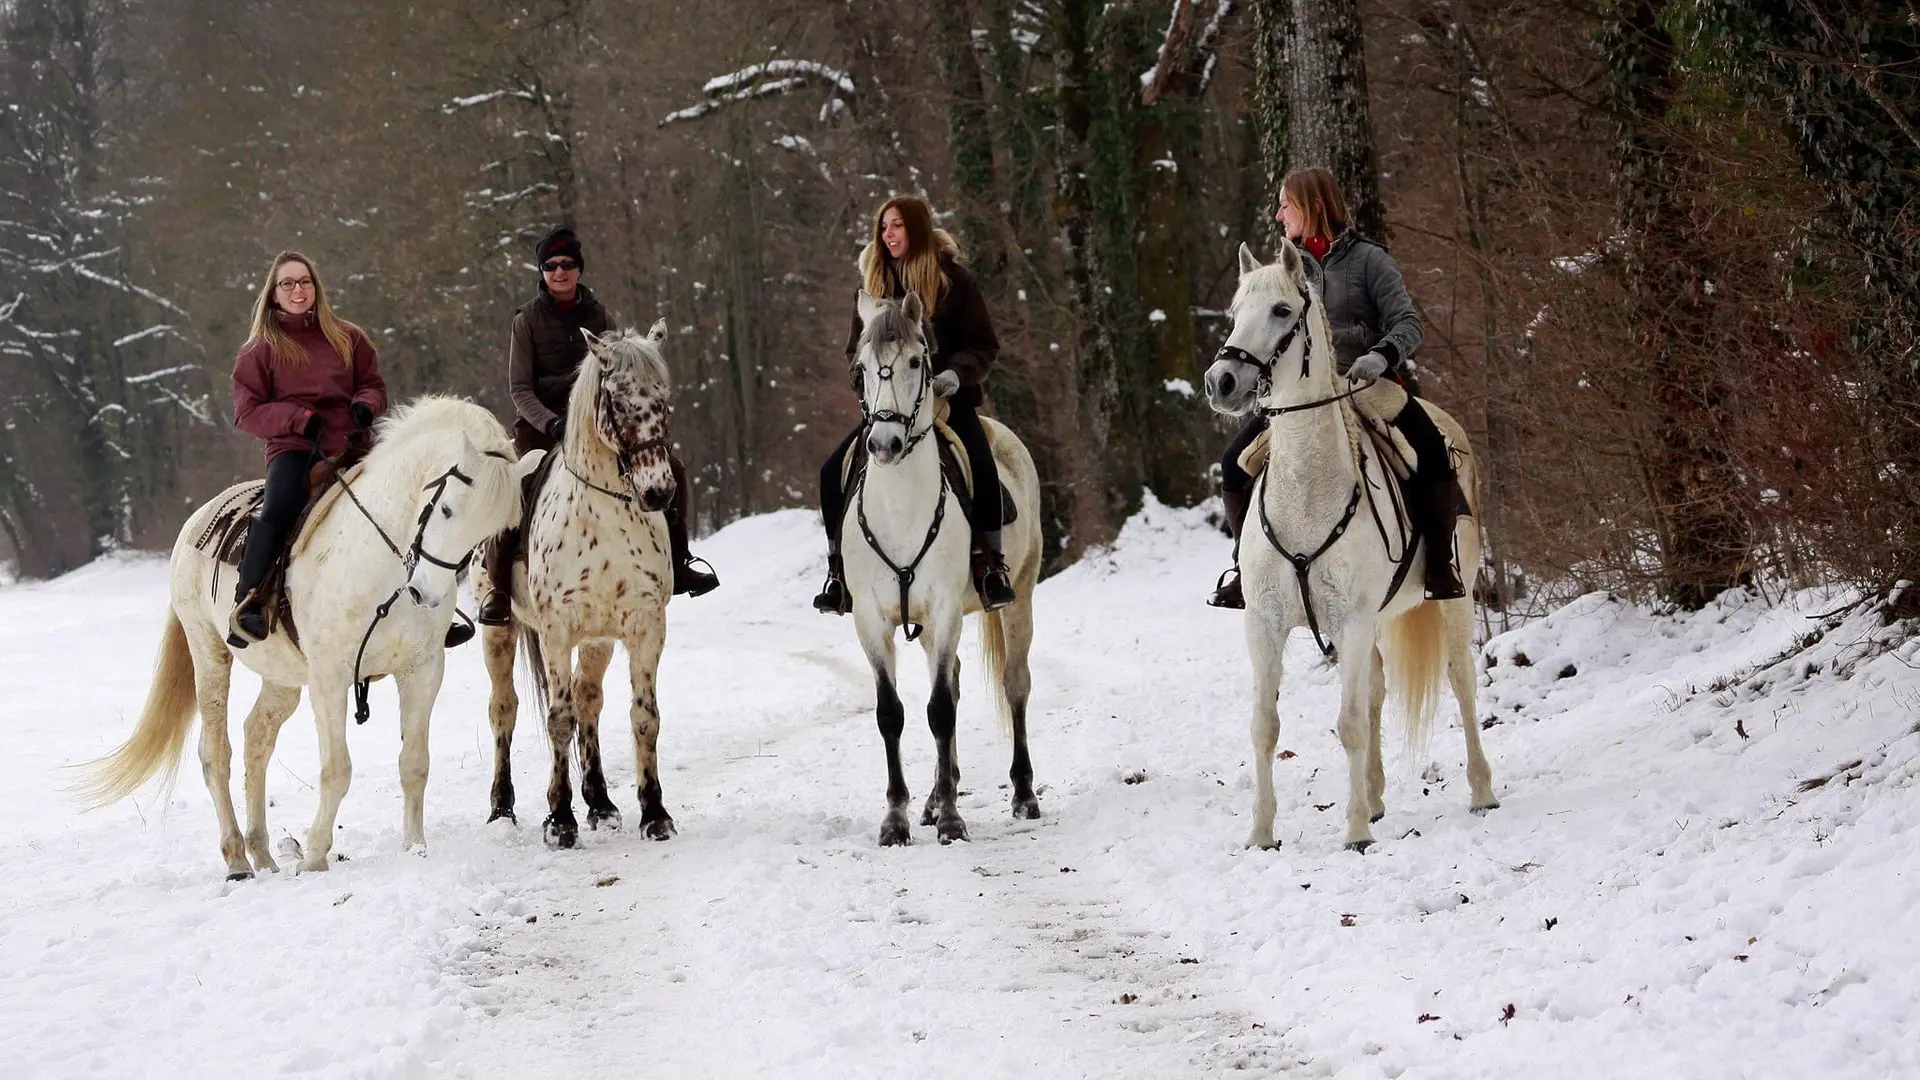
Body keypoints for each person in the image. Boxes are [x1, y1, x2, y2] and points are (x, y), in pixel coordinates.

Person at [1209, 165, 1467, 608]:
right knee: (1233, 462)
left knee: (1431, 451)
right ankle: (1243, 568)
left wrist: (1380, 355)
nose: (1278, 215)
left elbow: (1408, 323)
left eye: (1286, 205)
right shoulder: (1282, 269)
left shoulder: (1370, 260)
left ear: (1314, 206)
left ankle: (1440, 566)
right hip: (1298, 397)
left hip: (1364, 382)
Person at [476, 227, 718, 625]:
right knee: (514, 485)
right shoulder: (526, 320)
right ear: (543, 272)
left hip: (596, 426)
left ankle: (680, 561)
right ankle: (499, 589)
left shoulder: (599, 315)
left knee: (672, 470)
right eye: (551, 266)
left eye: (567, 264)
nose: (560, 271)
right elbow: (519, 388)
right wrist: (550, 422)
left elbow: (618, 370)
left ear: (579, 269)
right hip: (543, 427)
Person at [812, 196, 1016, 615]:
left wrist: (957, 374)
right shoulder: (872, 289)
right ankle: (838, 574)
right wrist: (866, 385)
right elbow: (854, 353)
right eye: (884, 226)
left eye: (897, 225)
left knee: (982, 464)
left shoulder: (954, 282)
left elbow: (983, 343)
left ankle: (991, 566)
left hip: (946, 402)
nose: (888, 234)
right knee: (831, 471)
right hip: (889, 409)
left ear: (917, 229)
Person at [228, 251, 388, 647]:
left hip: (353, 443)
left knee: (405, 497)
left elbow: (373, 384)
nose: (298, 290)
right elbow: (247, 412)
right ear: (274, 294)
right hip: (295, 446)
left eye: (305, 282)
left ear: (315, 287)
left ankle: (426, 601)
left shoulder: (348, 336)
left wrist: (366, 404)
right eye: (288, 284)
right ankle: (251, 599)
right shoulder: (260, 348)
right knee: (280, 505)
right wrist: (297, 419)